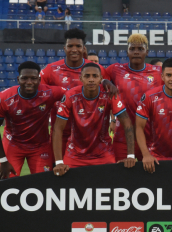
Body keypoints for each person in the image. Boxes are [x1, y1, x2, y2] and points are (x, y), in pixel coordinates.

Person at [41, 28, 117, 159]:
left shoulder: (97, 70)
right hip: (61, 133)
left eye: (78, 46)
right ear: (64, 48)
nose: (74, 49)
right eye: (70, 46)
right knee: (59, 171)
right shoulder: (51, 70)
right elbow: (40, 95)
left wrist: (113, 119)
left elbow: (109, 97)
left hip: (91, 136)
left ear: (84, 49)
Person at [53, 63, 135, 176]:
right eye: (87, 76)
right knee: (70, 189)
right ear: (81, 78)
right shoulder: (70, 96)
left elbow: (127, 123)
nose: (91, 80)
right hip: (74, 155)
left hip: (104, 154)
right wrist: (58, 162)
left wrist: (130, 156)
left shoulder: (109, 94)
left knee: (108, 187)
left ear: (101, 79)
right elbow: (58, 128)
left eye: (95, 76)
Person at [0, 62, 67, 179]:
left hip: (41, 146)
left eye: (34, 78)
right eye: (24, 78)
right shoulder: (4, 98)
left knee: (43, 183)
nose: (29, 82)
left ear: (39, 79)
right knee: (7, 184)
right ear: (18, 79)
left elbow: (75, 94)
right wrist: (3, 160)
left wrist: (102, 83)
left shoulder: (50, 92)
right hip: (13, 145)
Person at [106, 33, 163, 162]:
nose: (136, 52)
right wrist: (107, 82)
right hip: (123, 137)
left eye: (140, 49)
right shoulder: (115, 69)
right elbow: (96, 77)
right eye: (132, 49)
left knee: (151, 177)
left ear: (147, 52)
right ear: (127, 52)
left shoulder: (158, 72)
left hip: (151, 138)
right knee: (122, 177)